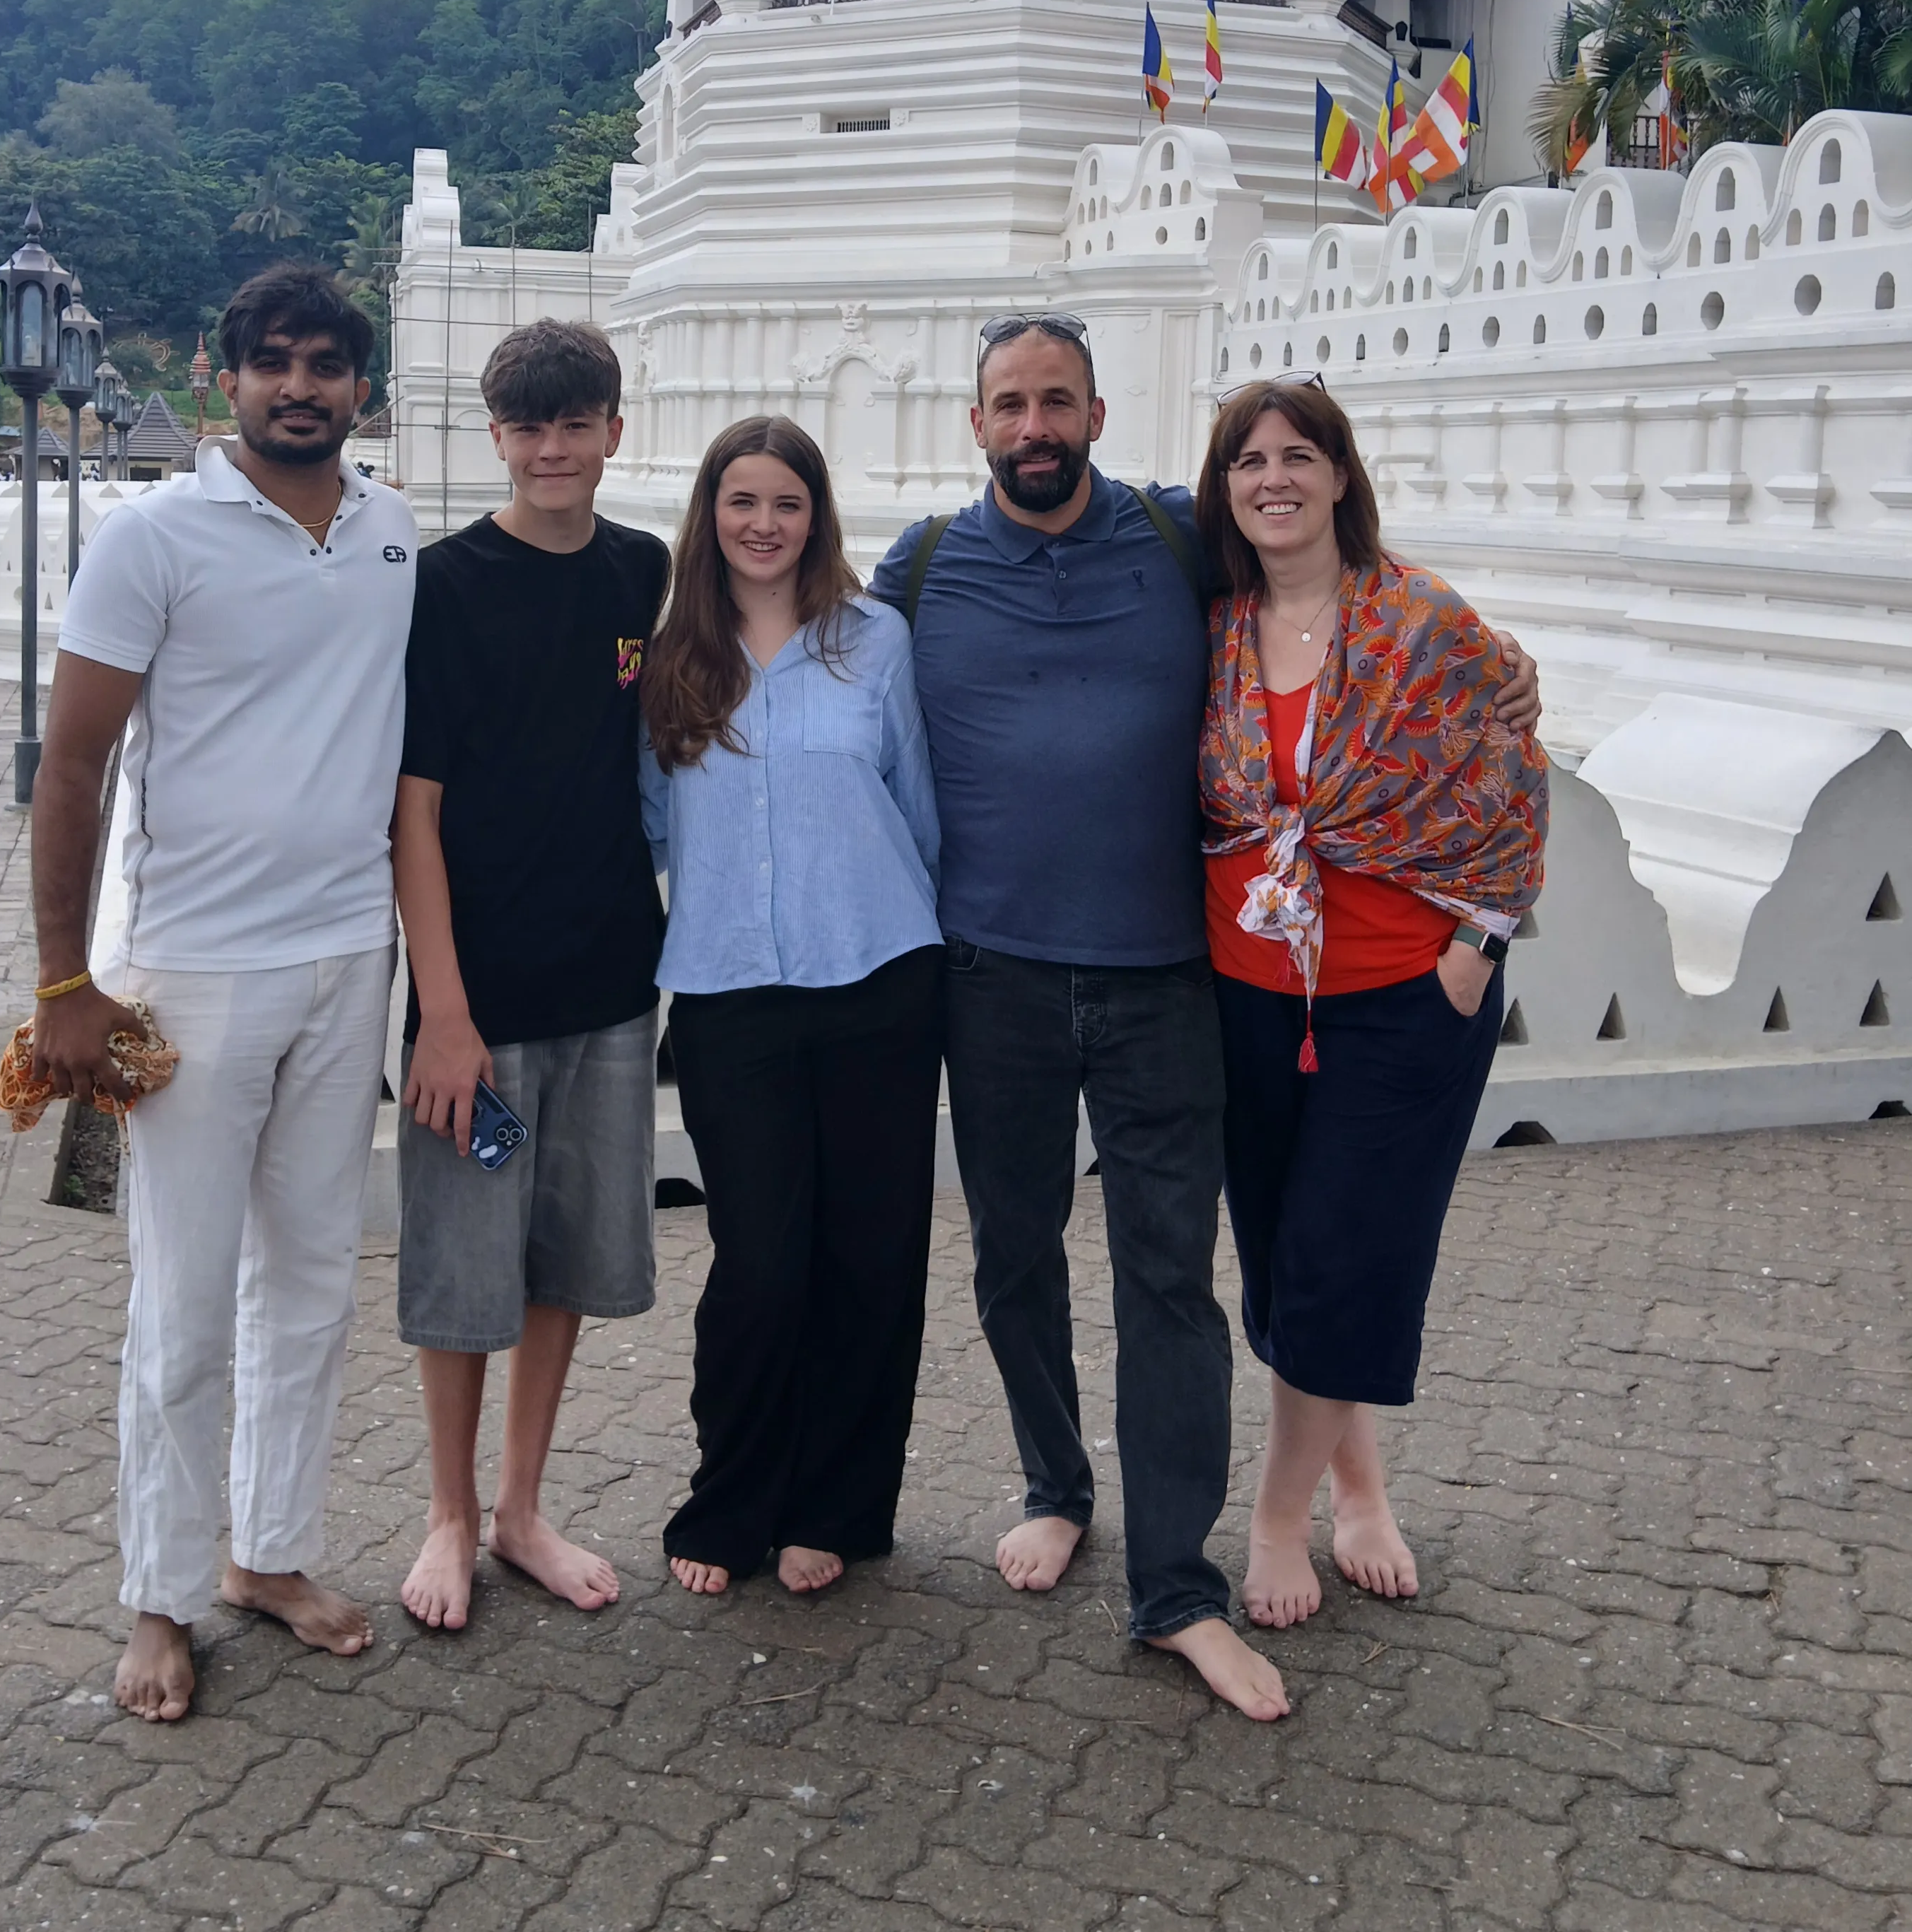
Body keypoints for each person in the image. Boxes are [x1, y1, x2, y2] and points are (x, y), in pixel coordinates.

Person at [874, 317, 1540, 1723]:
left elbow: (1352, 605)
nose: (1036, 423)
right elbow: (814, 682)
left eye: (1060, 397)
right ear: (976, 421)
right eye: (1011, 402)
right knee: (1011, 1254)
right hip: (988, 978)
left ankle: (1178, 1583)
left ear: (1099, 410)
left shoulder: (1178, 545)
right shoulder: (923, 566)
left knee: (1170, 1279)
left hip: (1165, 977)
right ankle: (1058, 1487)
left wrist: (1505, 685)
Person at [28, 265, 416, 1724]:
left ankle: (270, 1553)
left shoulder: (390, 532)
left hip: (345, 957)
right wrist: (68, 982)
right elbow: (74, 767)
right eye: (274, 364)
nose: (299, 388)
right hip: (194, 971)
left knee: (310, 1282)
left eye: (326, 366)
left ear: (361, 389)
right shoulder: (155, 539)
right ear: (223, 376)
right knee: (182, 1303)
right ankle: (160, 1595)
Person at [1196, 378, 1547, 1632]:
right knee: (1286, 1260)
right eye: (1249, 461)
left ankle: (1278, 1519)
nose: (1274, 479)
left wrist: (1476, 945)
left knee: (1346, 1259)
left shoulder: (1420, 621)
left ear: (1342, 477)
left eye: (1300, 456)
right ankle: (1358, 1485)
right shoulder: (1220, 623)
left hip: (1403, 1000)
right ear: (1224, 488)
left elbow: (1519, 776)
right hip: (1250, 998)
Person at [392, 320, 669, 1629]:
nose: (553, 449)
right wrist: (443, 1016)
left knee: (561, 1259)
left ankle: (520, 1510)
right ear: (495, 437)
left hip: (611, 983)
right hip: (481, 1007)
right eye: (529, 427)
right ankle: (446, 1515)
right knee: (463, 1264)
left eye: (577, 424)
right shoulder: (445, 585)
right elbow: (416, 813)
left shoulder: (644, 572)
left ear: (614, 430)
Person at [644, 417, 944, 1598]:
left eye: (785, 502)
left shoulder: (875, 641)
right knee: (760, 1262)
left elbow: (917, 809)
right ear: (710, 516)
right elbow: (651, 826)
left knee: (871, 1260)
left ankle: (840, 1506)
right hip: (729, 996)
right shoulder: (669, 657)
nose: (762, 523)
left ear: (816, 516)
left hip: (878, 978)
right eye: (740, 501)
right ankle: (734, 1496)